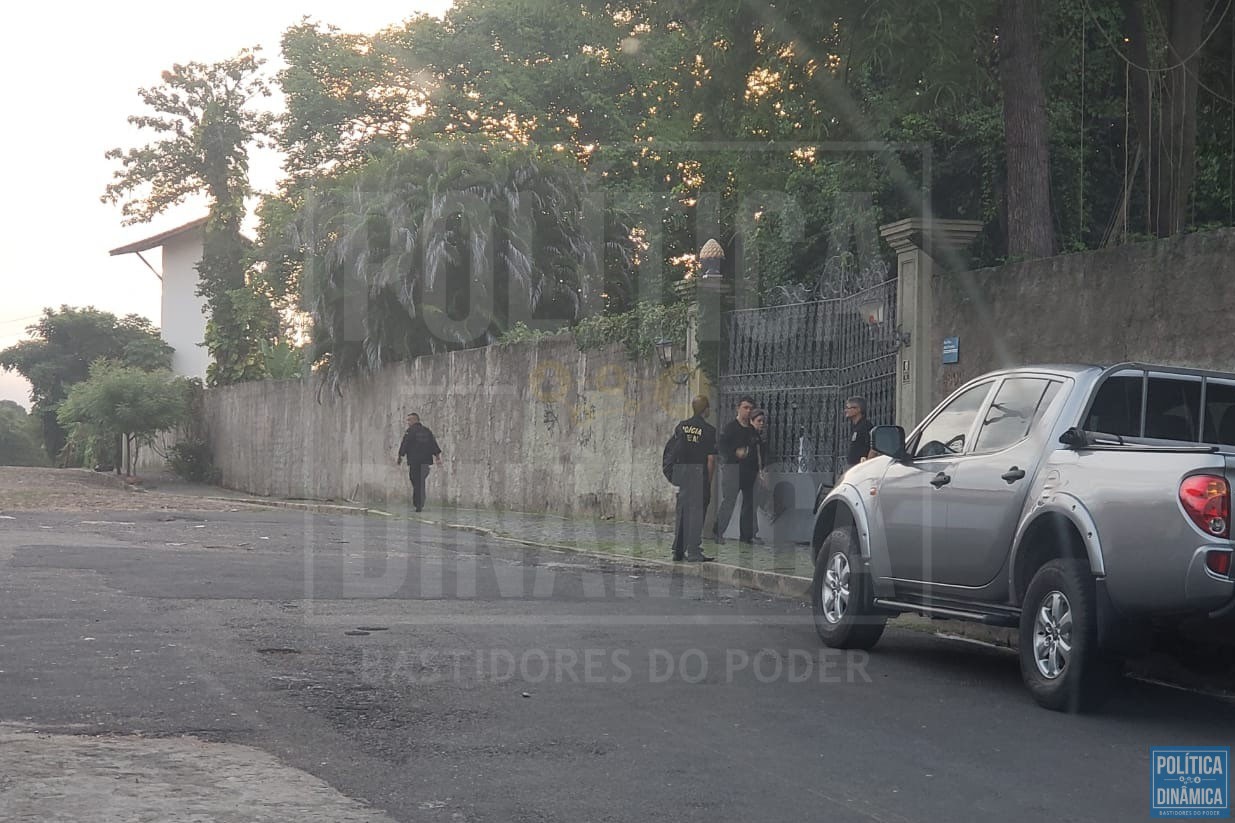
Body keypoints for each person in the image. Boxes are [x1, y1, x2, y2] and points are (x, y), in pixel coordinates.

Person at [669, 395, 718, 562]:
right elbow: (711, 460)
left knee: (682, 511)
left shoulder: (681, 427)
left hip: (682, 473)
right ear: (705, 410)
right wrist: (708, 482)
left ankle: (678, 549)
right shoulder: (709, 431)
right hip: (699, 474)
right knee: (697, 513)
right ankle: (694, 550)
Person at [714, 395, 760, 544]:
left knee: (749, 504)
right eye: (745, 407)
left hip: (749, 472)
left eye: (750, 409)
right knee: (729, 502)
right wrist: (734, 454)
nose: (748, 411)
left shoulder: (752, 431)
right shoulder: (730, 428)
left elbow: (757, 450)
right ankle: (718, 532)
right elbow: (721, 447)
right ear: (738, 408)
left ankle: (746, 537)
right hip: (732, 471)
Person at [396, 413, 443, 512]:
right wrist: (437, 458)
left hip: (414, 462)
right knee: (420, 481)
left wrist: (400, 457)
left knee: (415, 481)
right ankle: (420, 501)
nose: (408, 422)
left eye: (409, 420)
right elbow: (433, 444)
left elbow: (405, 444)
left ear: (415, 420)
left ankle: (418, 503)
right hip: (426, 462)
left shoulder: (410, 432)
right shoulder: (427, 431)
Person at [844, 396, 875, 472]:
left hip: (860, 468)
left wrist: (866, 465)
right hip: (853, 467)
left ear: (858, 409)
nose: (846, 410)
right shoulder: (855, 426)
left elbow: (873, 448)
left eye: (848, 408)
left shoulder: (865, 426)